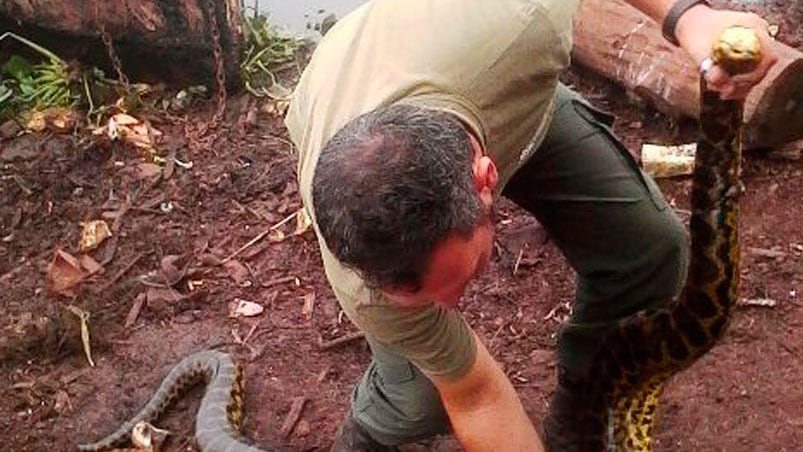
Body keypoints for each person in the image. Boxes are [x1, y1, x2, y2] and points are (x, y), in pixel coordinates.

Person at [284, 0, 776, 450]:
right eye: (424, 297)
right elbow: (475, 394)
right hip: (357, 90)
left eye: (459, 280)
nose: (452, 307)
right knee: (422, 398)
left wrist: (689, 19)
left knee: (651, 251)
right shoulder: (367, 279)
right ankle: (374, 422)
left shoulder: (522, 19)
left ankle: (584, 409)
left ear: (486, 181)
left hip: (491, 84)